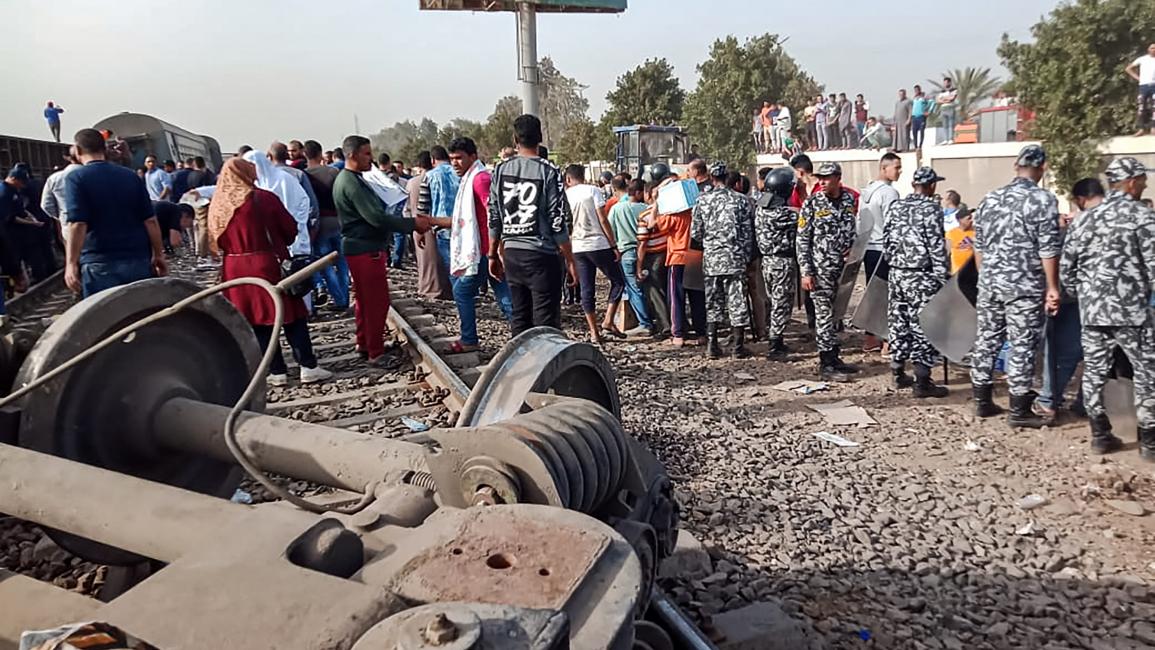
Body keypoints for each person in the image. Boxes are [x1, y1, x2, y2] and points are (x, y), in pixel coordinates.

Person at [208, 158, 331, 386]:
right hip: (267, 262)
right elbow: (290, 230)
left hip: (234, 269)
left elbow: (214, 242)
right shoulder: (262, 198)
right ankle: (307, 366)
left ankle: (277, 371)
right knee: (291, 316)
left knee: (256, 320)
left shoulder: (218, 205)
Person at [1061, 158, 1155, 457]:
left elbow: (1066, 269)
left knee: (1094, 373)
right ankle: (1150, 443)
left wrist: (1085, 296)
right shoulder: (1142, 217)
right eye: (1142, 181)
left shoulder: (1084, 219)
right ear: (1131, 182)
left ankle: (1100, 435)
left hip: (1092, 313)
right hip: (1133, 314)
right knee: (1147, 373)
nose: (1144, 186)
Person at [969, 144, 1062, 427]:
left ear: (1016, 166)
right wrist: (1053, 287)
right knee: (1022, 343)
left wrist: (986, 277)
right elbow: (1048, 249)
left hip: (990, 282)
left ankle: (982, 401)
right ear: (1042, 168)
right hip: (1024, 285)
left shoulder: (990, 198)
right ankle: (1019, 410)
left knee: (986, 339)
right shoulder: (1044, 200)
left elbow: (979, 246)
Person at [334, 135, 431, 366]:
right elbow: (376, 218)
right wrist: (412, 224)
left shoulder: (350, 179)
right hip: (366, 250)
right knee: (376, 302)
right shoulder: (351, 183)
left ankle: (365, 343)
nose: (371, 158)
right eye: (366, 153)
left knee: (364, 301)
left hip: (360, 248)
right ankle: (375, 352)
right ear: (352, 155)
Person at [487, 114, 577, 336]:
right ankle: (544, 358)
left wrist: (493, 255)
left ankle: (520, 356)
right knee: (545, 322)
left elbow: (494, 217)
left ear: (515, 139)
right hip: (541, 255)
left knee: (520, 316)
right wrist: (569, 259)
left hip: (512, 254)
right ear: (540, 137)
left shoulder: (500, 170)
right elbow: (557, 221)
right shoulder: (549, 171)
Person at [63, 129, 167, 297]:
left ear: (78, 150)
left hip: (99, 262)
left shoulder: (76, 178)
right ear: (104, 148)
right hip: (138, 259)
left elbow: (78, 223)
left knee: (106, 312)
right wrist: (158, 254)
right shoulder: (131, 176)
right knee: (141, 309)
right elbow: (150, 220)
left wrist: (71, 263)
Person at [1035, 178, 1104, 420]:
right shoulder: (1131, 217)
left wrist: (1067, 293)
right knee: (1102, 357)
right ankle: (1088, 404)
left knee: (1064, 352)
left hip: (1077, 300)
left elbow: (1066, 265)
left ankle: (1049, 401)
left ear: (1080, 199)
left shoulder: (1079, 225)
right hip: (1117, 304)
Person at [438, 136, 511, 351]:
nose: (455, 163)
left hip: (484, 251)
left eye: (459, 158)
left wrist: (495, 251)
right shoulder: (471, 178)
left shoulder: (479, 180)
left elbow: (494, 216)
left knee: (462, 292)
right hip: (485, 249)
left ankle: (469, 339)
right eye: (452, 158)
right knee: (504, 296)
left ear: (473, 156)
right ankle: (526, 336)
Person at [883, 166, 951, 397]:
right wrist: (942, 278)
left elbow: (886, 241)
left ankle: (898, 371)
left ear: (914, 185)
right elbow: (936, 246)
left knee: (898, 321)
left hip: (897, 273)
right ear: (931, 186)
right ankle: (922, 381)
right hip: (921, 276)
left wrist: (895, 265)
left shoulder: (896, 206)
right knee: (923, 325)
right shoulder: (931, 208)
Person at [798, 162, 859, 381]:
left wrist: (852, 249)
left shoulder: (848, 200)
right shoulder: (812, 203)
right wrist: (806, 271)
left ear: (837, 178)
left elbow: (851, 230)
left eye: (826, 178)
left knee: (836, 314)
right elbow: (802, 240)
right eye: (819, 178)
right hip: (820, 270)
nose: (821, 182)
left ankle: (834, 356)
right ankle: (826, 363)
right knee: (823, 315)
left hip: (842, 270)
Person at [690, 165, 755, 358]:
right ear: (727, 177)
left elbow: (695, 233)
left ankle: (712, 345)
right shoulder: (741, 200)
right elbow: (748, 233)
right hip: (735, 258)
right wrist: (746, 257)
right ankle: (738, 347)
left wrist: (710, 243)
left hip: (712, 259)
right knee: (737, 301)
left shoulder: (702, 200)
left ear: (711, 177)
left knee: (713, 301)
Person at [565, 164, 626, 343]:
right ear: (583, 176)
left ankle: (593, 331)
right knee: (618, 281)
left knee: (587, 289)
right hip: (598, 243)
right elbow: (602, 219)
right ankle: (608, 320)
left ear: (568, 179)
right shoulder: (593, 190)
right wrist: (613, 245)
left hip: (578, 246)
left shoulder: (566, 195)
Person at [861, 152, 904, 352]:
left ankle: (870, 339)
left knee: (873, 295)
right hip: (884, 249)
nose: (899, 171)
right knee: (887, 296)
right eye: (896, 167)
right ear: (884, 168)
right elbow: (893, 225)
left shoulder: (867, 191)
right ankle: (887, 343)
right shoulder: (889, 193)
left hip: (868, 248)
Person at [754, 167, 798, 359]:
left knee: (775, 301)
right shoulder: (785, 215)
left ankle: (777, 340)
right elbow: (804, 214)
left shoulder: (761, 210)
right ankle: (775, 346)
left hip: (767, 261)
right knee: (782, 303)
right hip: (782, 262)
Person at [304, 139, 349, 311]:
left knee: (325, 263)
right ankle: (344, 298)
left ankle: (339, 299)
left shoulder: (304, 175)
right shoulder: (333, 172)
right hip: (337, 219)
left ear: (305, 154)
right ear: (320, 153)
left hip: (319, 223)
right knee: (342, 261)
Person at [608, 178, 654, 336]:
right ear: (639, 193)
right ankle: (652, 318)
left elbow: (611, 231)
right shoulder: (646, 208)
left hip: (626, 253)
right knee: (647, 287)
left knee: (633, 289)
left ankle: (645, 323)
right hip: (646, 252)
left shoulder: (616, 208)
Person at [408, 152, 448, 299]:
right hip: (439, 223)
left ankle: (427, 288)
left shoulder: (413, 182)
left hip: (420, 224)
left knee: (425, 261)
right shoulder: (441, 177)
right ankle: (445, 289)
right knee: (439, 260)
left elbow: (408, 207)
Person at [418, 146, 460, 284]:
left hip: (442, 228)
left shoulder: (429, 176)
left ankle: (460, 295)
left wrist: (420, 232)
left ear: (432, 160)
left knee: (453, 269)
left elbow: (423, 207)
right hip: (463, 226)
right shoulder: (460, 172)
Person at [636, 173, 672, 336]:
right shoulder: (668, 211)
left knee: (655, 292)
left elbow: (643, 242)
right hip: (667, 253)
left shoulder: (645, 216)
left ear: (648, 194)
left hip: (653, 257)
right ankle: (679, 324)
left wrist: (638, 266)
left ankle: (665, 325)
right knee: (668, 290)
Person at [362, 152, 410, 270]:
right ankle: (396, 260)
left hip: (379, 209)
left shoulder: (373, 177)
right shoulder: (393, 177)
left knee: (384, 234)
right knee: (399, 234)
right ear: (389, 163)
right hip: (394, 207)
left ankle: (386, 259)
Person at [269, 142, 320, 228]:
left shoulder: (264, 177)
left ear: (270, 157)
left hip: (273, 226)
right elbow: (311, 203)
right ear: (287, 155)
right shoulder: (298, 174)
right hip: (298, 225)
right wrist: (313, 226)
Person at [0, 169, 30, 310]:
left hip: (9, 234)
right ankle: (11, 290)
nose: (22, 186)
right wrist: (31, 222)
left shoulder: (10, 190)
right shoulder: (4, 192)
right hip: (6, 234)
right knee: (9, 262)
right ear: (13, 178)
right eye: (21, 182)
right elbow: (8, 217)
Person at [41, 148, 83, 248]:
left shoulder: (54, 178)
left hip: (68, 224)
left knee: (73, 254)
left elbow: (46, 205)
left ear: (67, 158)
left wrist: (61, 216)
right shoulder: (96, 174)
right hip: (98, 226)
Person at [1125, 43, 1155, 136]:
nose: (1154, 49)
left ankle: (1153, 128)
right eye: (1152, 48)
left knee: (1154, 107)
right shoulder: (1142, 59)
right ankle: (1141, 129)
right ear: (1148, 49)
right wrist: (1138, 78)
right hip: (1143, 86)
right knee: (1141, 107)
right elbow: (1128, 69)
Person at [945, 204, 976, 274]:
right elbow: (947, 253)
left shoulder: (976, 232)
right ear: (960, 220)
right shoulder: (950, 233)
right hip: (957, 272)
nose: (971, 220)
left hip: (973, 272)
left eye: (971, 218)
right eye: (968, 218)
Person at [937, 77, 959, 144]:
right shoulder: (942, 91)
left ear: (949, 82)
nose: (945, 84)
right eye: (944, 83)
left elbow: (952, 98)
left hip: (950, 107)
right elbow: (938, 100)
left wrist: (943, 99)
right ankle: (945, 139)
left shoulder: (954, 90)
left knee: (951, 124)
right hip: (943, 108)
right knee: (945, 125)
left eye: (946, 82)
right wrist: (946, 99)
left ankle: (950, 139)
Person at [911, 85, 932, 150]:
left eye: (917, 90)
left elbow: (932, 102)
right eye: (915, 90)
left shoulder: (924, 97)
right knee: (914, 132)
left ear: (920, 90)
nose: (916, 91)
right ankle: (915, 146)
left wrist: (929, 111)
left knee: (922, 131)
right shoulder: (914, 98)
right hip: (914, 117)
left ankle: (920, 146)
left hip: (921, 117)